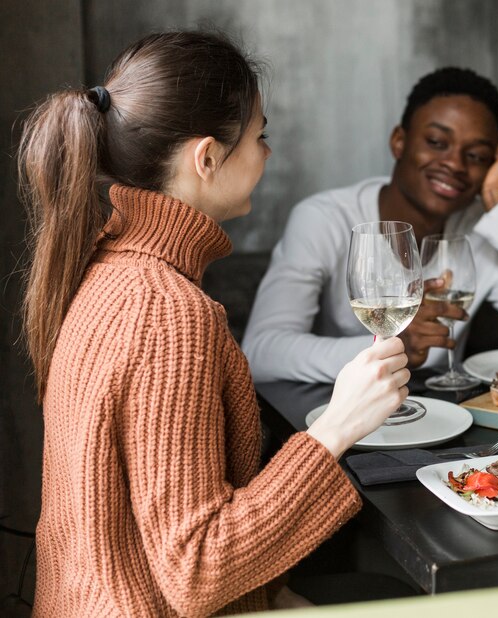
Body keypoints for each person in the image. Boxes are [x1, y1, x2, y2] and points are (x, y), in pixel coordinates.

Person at [19, 31, 412, 617]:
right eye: (260, 136)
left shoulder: (106, 267)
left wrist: (273, 594)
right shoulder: (169, 313)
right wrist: (336, 427)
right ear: (206, 158)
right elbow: (197, 571)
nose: (268, 154)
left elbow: (153, 534)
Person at [242, 68, 498, 384]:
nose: (455, 164)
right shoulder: (325, 219)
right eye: (437, 143)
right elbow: (262, 352)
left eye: (475, 156)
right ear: (399, 141)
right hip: (329, 414)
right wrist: (390, 348)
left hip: (437, 419)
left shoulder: (479, 232)